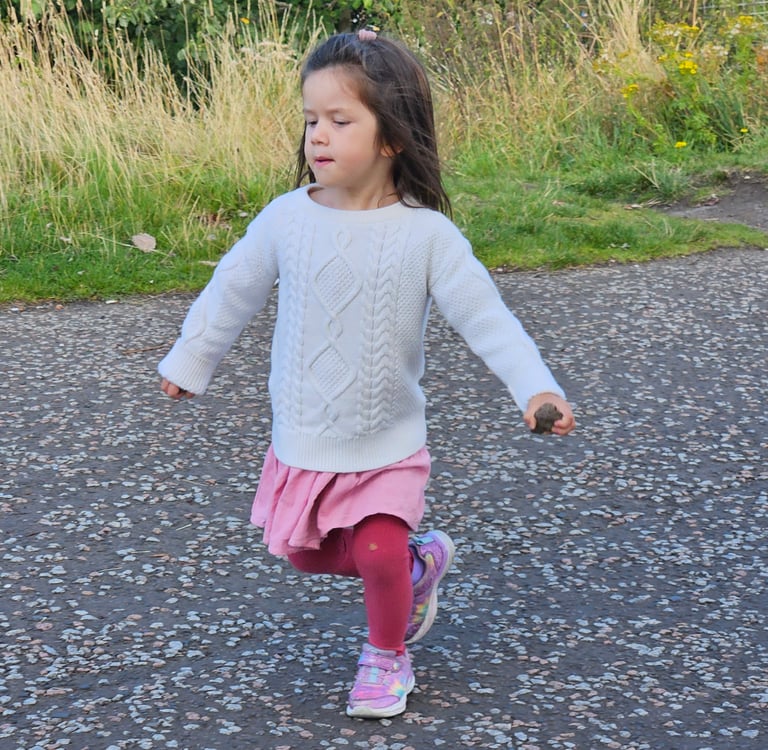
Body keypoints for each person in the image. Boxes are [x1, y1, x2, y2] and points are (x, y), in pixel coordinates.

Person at [158, 29, 575, 720]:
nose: (317, 136)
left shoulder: (427, 236)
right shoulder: (285, 220)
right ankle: (419, 567)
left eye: (340, 120)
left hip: (388, 440)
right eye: (310, 120)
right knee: (305, 556)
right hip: (306, 435)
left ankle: (386, 656)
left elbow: (486, 318)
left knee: (377, 548)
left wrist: (536, 388)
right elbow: (231, 290)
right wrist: (190, 360)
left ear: (393, 138)